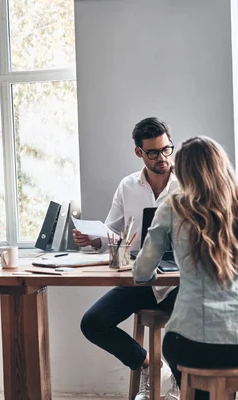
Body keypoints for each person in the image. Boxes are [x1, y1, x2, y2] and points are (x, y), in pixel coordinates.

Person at [133, 136, 238, 400]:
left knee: (180, 347)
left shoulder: (173, 207)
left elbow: (141, 272)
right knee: (208, 352)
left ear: (183, 171)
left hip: (192, 342)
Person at [76, 117, 180, 400]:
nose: (163, 158)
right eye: (154, 152)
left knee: (181, 335)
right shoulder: (128, 186)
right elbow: (114, 232)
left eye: (167, 149)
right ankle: (151, 366)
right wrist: (95, 239)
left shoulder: (187, 183)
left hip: (179, 282)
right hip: (140, 280)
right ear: (139, 153)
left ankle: (183, 389)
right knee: (93, 322)